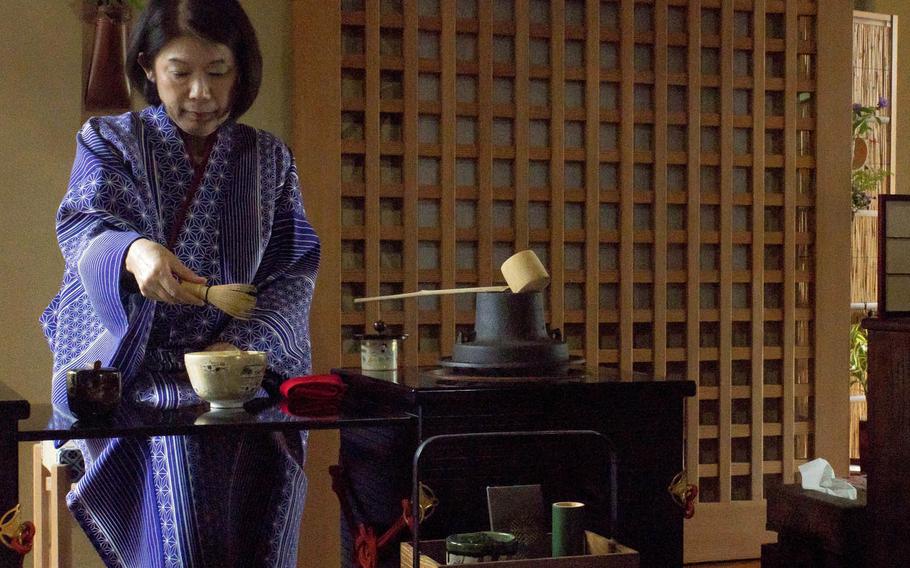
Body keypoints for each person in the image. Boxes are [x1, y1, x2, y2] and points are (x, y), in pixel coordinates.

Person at [40, 0, 320, 565]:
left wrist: (246, 351)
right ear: (147, 67)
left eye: (218, 71)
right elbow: (87, 225)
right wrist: (131, 251)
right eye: (180, 72)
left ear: (241, 69)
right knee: (181, 450)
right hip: (128, 365)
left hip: (233, 369)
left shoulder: (269, 159)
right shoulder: (109, 140)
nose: (201, 93)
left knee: (263, 444)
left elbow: (291, 272)